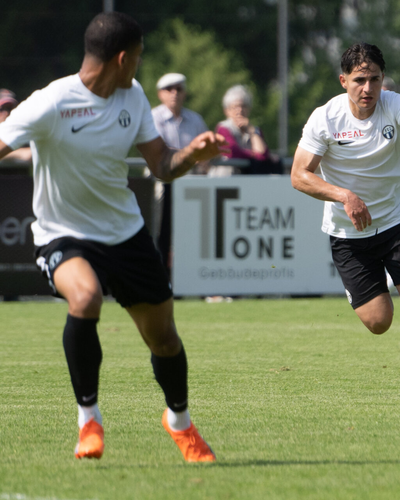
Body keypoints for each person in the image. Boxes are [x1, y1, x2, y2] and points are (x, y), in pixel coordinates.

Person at [0, 12, 224, 462]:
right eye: (138, 58)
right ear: (122, 58)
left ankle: (179, 422)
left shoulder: (133, 95)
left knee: (164, 339)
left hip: (126, 234)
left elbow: (161, 165)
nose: (139, 67)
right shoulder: (51, 102)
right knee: (84, 299)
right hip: (64, 235)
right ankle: (89, 421)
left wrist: (193, 154)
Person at [290, 43, 400, 405]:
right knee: (379, 321)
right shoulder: (325, 118)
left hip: (395, 224)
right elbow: (299, 176)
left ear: (383, 80)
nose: (368, 89)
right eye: (360, 80)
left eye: (375, 79)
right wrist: (345, 196)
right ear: (343, 80)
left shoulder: (392, 103)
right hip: (348, 236)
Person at [150, 73, 209, 273]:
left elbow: (205, 152)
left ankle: (191, 278)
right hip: (163, 185)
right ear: (160, 94)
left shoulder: (195, 119)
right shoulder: (153, 118)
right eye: (169, 89)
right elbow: (160, 152)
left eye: (179, 89)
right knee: (162, 235)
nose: (174, 93)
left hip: (192, 186)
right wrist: (191, 153)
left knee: (192, 235)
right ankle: (162, 278)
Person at [215, 84, 281, 176]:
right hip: (227, 179)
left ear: (249, 109)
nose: (240, 110)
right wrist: (255, 155)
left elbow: (263, 154)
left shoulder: (255, 129)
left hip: (249, 180)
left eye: (243, 106)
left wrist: (251, 131)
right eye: (235, 107)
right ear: (227, 110)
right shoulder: (223, 128)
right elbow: (232, 152)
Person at [0, 90, 32, 162]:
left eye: (10, 109)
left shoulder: (23, 132)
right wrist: (20, 153)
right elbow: (27, 155)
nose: (7, 113)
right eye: (1, 109)